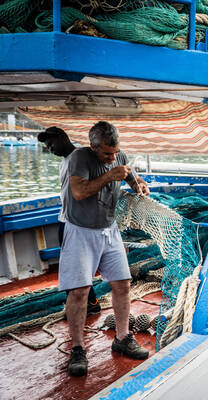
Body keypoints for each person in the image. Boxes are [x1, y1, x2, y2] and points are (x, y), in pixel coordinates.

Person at [59, 121, 150, 377]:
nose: (113, 158)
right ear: (93, 147)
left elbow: (129, 175)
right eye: (107, 154)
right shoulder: (79, 158)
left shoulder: (118, 154)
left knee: (122, 284)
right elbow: (78, 192)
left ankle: (122, 337)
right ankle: (78, 349)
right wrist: (110, 175)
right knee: (79, 291)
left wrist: (138, 184)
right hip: (80, 231)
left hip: (109, 230)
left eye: (115, 152)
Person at [37, 127, 101, 315]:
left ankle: (89, 303)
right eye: (47, 147)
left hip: (79, 222)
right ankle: (83, 301)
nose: (50, 149)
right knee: (70, 265)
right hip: (65, 219)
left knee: (76, 265)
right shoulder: (63, 162)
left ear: (63, 137)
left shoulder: (83, 156)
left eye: (51, 144)